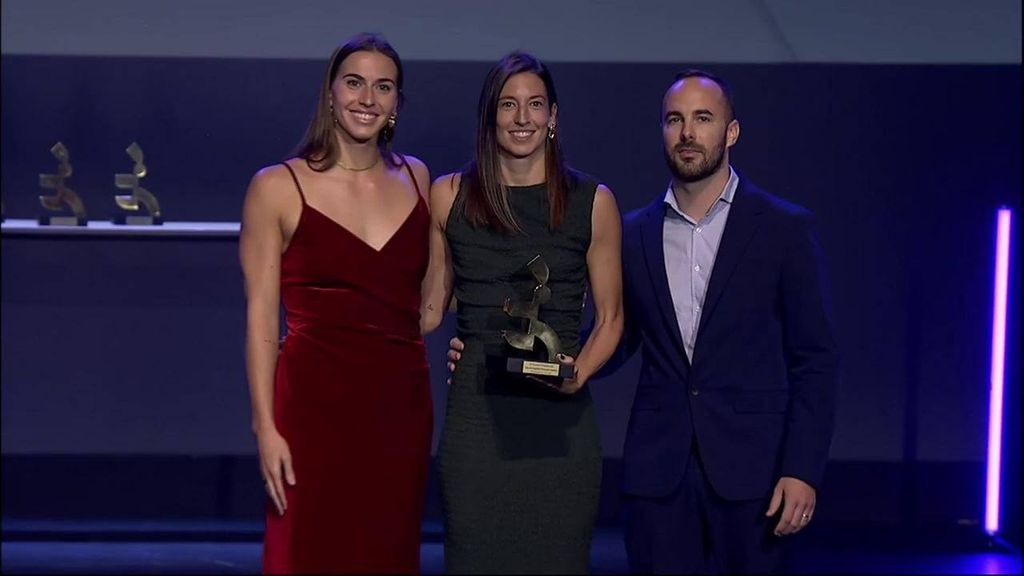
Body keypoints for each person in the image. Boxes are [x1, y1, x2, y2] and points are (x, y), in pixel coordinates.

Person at [448, 69, 839, 573]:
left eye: (703, 119)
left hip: (756, 475)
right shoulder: (634, 232)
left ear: (731, 131)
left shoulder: (784, 229)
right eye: (675, 120)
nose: (688, 133)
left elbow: (816, 360)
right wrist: (495, 349)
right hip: (659, 476)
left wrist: (802, 469)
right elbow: (618, 332)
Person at [419, 51, 624, 573]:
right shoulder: (447, 195)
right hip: (476, 421)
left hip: (559, 419)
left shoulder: (593, 201)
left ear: (553, 116)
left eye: (535, 105)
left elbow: (612, 318)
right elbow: (428, 310)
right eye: (509, 105)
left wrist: (580, 374)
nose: (522, 118)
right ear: (491, 116)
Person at [239, 33, 433, 574]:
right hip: (311, 409)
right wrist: (265, 427)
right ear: (330, 93)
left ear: (397, 102)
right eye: (354, 82)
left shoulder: (417, 179)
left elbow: (428, 298)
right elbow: (260, 319)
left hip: (400, 408)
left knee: (387, 552)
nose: (367, 98)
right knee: (307, 551)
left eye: (383, 86)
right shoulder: (277, 186)